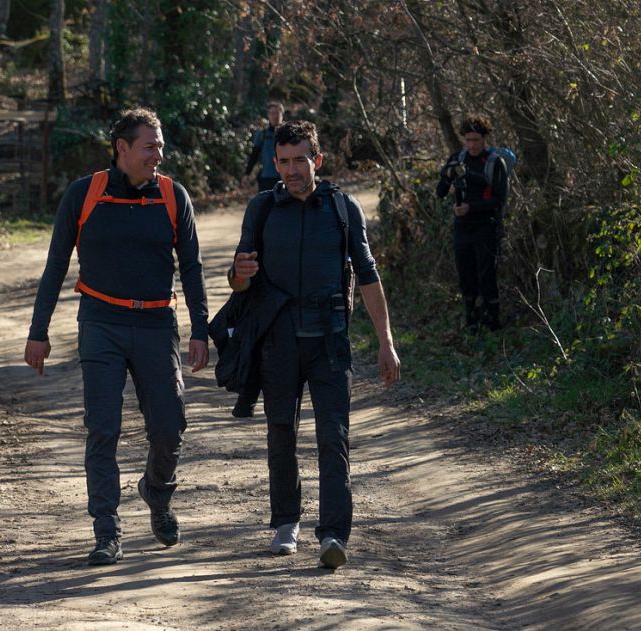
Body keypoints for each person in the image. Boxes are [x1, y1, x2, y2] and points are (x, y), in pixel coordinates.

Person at [24, 107, 209, 566]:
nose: (158, 155)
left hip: (155, 325)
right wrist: (38, 331)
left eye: (161, 146)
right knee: (102, 429)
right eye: (150, 146)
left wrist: (200, 332)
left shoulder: (172, 196)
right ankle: (107, 531)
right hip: (100, 325)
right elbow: (55, 266)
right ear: (122, 149)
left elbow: (191, 268)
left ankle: (157, 492)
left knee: (169, 427)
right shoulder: (84, 194)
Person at [229, 120, 401, 569]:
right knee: (280, 432)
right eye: (282, 161)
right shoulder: (262, 209)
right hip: (278, 342)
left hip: (330, 340)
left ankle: (332, 535)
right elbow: (239, 278)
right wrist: (238, 275)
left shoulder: (342, 208)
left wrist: (386, 342)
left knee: (334, 439)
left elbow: (367, 276)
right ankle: (286, 524)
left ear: (317, 160)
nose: (290, 169)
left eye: (299, 159)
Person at [233, 101, 286, 418]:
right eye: (271, 112)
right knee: (255, 334)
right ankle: (247, 396)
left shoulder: (289, 135)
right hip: (266, 182)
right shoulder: (261, 206)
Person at [435, 114, 508, 332]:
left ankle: (493, 322)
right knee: (466, 274)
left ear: (484, 139)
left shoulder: (495, 162)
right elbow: (440, 193)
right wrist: (447, 176)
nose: (472, 145)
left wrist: (471, 208)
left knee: (486, 274)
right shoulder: (458, 158)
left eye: (476, 140)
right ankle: (471, 321)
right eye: (468, 140)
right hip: (462, 227)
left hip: (487, 225)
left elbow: (499, 198)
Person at [243, 101, 285, 193]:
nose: (274, 116)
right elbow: (254, 155)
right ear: (268, 116)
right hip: (266, 178)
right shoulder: (262, 134)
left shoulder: (288, 133)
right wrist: (247, 173)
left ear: (282, 114)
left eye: (277, 113)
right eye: (271, 113)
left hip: (285, 177)